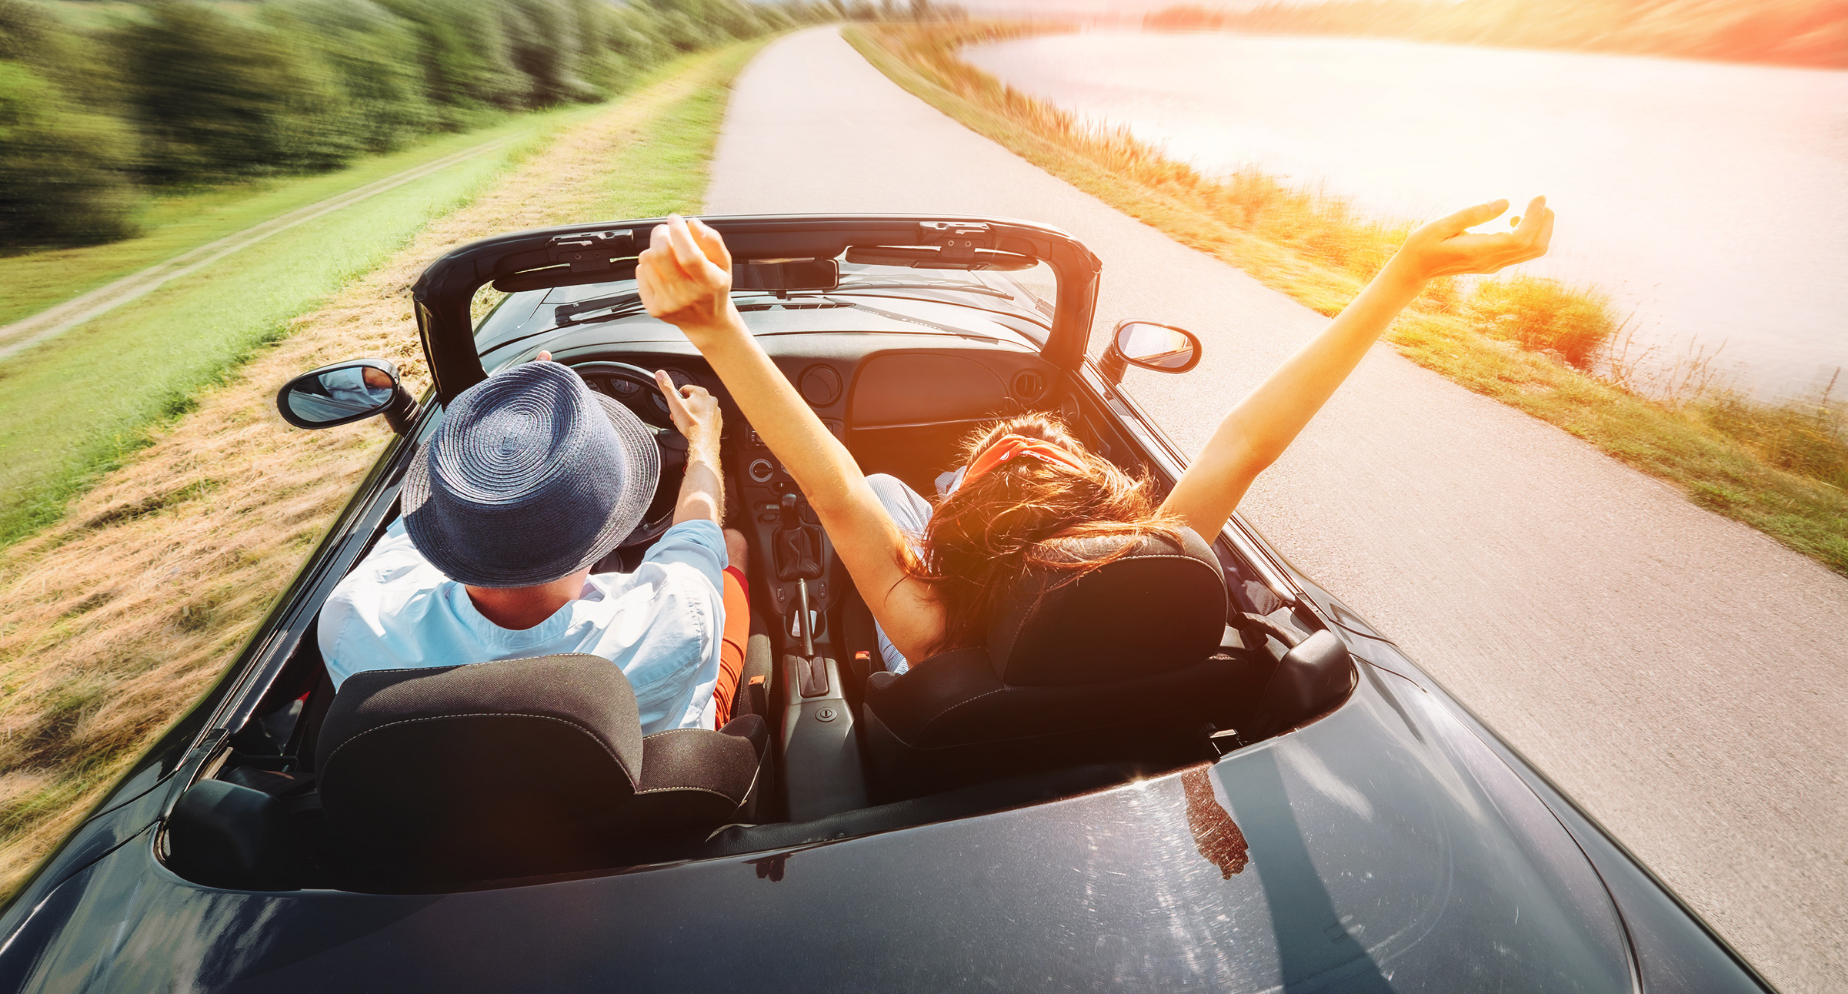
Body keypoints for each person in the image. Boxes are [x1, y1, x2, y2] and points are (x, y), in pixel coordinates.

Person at [636, 199, 1553, 673]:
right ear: (1107, 510)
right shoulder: (1161, 557)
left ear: (950, 535)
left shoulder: (931, 627)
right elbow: (1246, 442)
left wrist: (718, 327)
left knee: (879, 490)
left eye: (962, 481)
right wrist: (1403, 275)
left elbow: (834, 482)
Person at [318, 354, 754, 734]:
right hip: (651, 784)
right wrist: (702, 439)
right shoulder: (680, 613)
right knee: (731, 544)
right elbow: (699, 531)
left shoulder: (352, 618)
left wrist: (491, 437)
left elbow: (417, 522)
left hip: (465, 811)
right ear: (613, 511)